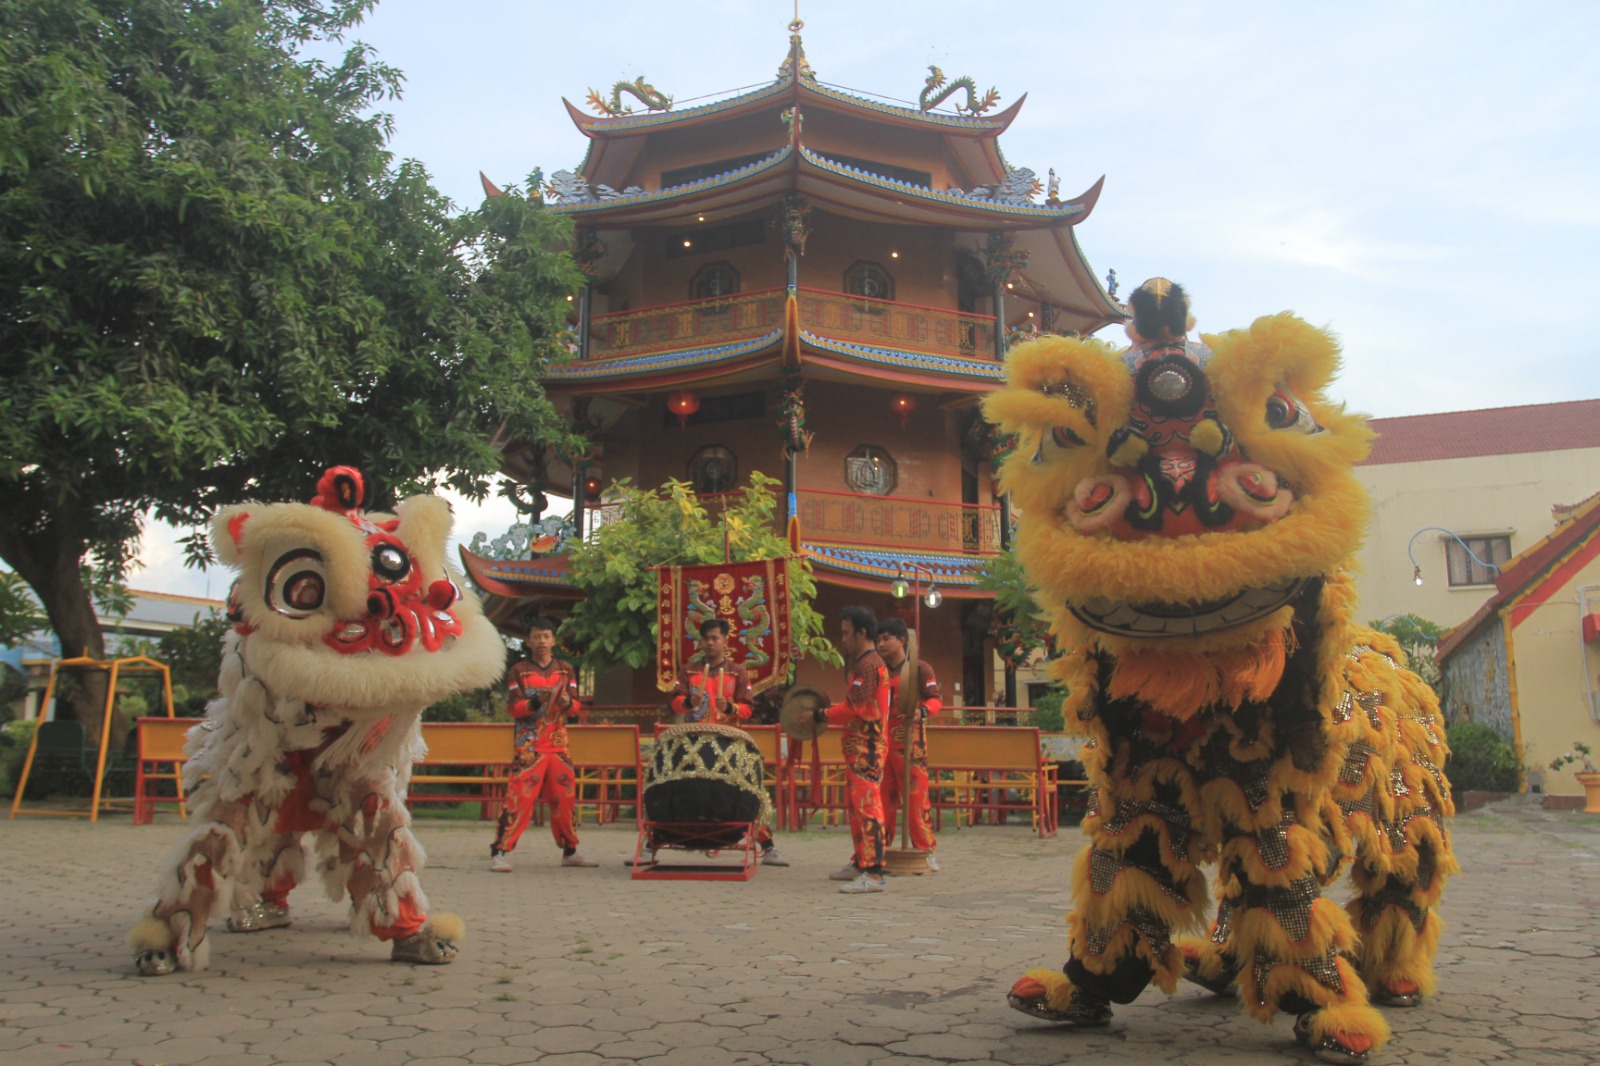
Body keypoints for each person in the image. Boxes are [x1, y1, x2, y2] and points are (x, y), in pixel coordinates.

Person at [659, 617, 788, 867]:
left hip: (728, 742)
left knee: (748, 787)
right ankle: (652, 840)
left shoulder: (737, 671)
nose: (710, 643)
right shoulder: (688, 670)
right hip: (693, 741)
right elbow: (674, 702)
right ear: (700, 641)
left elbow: (748, 709)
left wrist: (729, 706)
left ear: (725, 641)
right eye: (706, 638)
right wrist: (688, 703)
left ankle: (767, 845)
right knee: (670, 780)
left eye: (715, 638)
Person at [489, 616, 598, 871]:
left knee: (565, 798)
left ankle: (570, 851)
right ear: (527, 641)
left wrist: (565, 703)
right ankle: (499, 851)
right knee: (519, 798)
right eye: (536, 636)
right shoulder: (519, 671)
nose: (542, 641)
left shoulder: (566, 670)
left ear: (553, 640)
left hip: (559, 744)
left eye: (546, 636)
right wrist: (536, 701)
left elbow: (576, 706)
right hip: (529, 745)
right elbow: (514, 708)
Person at [813, 605, 891, 893]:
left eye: (846, 633)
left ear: (861, 633)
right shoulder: (867, 664)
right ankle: (861, 862)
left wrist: (819, 715)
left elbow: (851, 708)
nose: (843, 639)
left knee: (867, 808)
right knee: (858, 808)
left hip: (867, 748)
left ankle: (874, 872)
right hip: (861, 747)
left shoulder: (869, 666)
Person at [875, 618, 941, 871]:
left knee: (915, 799)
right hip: (883, 742)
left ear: (901, 640)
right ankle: (879, 850)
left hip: (910, 744)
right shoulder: (878, 671)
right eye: (878, 639)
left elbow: (935, 700)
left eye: (886, 639)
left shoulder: (919, 668)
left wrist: (922, 712)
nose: (881, 644)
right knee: (883, 798)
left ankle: (925, 849)